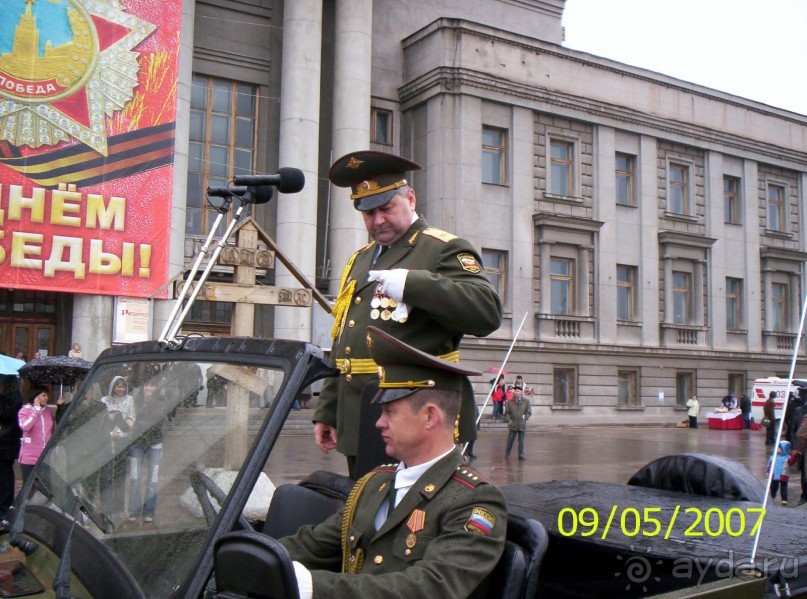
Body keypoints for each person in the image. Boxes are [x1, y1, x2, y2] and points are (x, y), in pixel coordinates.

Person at [314, 150, 503, 479]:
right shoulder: (359, 260)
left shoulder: (442, 248)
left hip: (417, 415)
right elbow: (344, 340)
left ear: (410, 199)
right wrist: (328, 410)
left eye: (386, 208)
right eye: (368, 213)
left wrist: (414, 284)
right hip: (360, 413)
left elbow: (487, 312)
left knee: (416, 507)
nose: (378, 221)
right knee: (365, 504)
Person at [280, 326, 506, 598]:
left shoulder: (473, 500)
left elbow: (430, 588)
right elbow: (312, 544)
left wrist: (309, 586)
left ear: (429, 417)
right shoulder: (374, 483)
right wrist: (256, 557)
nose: (379, 422)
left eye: (390, 411)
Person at [127, 380, 165, 524]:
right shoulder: (135, 403)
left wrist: (139, 425)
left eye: (152, 385)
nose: (149, 388)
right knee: (135, 478)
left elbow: (158, 423)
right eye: (147, 385)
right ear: (143, 386)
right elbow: (129, 422)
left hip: (155, 445)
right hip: (137, 444)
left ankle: (149, 512)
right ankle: (134, 511)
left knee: (153, 480)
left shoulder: (160, 403)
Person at [99, 376, 135, 518]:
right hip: (107, 440)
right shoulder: (104, 401)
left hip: (123, 439)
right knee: (106, 475)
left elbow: (131, 417)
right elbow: (101, 421)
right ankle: (106, 509)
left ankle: (119, 508)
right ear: (112, 387)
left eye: (123, 386)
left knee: (120, 475)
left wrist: (126, 427)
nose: (120, 389)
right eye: (118, 386)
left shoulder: (129, 400)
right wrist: (110, 433)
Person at [18, 386, 56, 485]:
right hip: (29, 457)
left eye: (47, 395)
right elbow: (25, 427)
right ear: (36, 397)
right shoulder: (24, 411)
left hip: (45, 457)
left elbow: (52, 429)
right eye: (44, 395)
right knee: (29, 486)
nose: (47, 398)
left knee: (45, 486)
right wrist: (36, 411)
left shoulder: (48, 410)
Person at [0, 376, 22, 518]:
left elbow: (6, 414)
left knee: (5, 477)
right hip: (3, 442)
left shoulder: (14, 397)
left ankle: (4, 508)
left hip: (6, 444)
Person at [504, 385, 531, 460]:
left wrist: (525, 418)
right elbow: (506, 413)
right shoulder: (510, 401)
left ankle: (521, 455)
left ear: (521, 392)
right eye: (515, 391)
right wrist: (509, 420)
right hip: (513, 424)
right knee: (510, 440)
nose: (516, 392)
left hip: (521, 424)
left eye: (518, 391)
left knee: (521, 441)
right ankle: (507, 453)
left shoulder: (526, 401)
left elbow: (528, 412)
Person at [767, 440, 797, 506]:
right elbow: (769, 465)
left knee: (784, 488)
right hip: (774, 475)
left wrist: (794, 456)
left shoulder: (787, 458)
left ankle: (784, 499)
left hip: (783, 475)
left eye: (779, 448)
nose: (776, 449)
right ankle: (772, 495)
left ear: (784, 449)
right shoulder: (773, 457)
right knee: (773, 486)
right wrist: (768, 471)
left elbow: (791, 462)